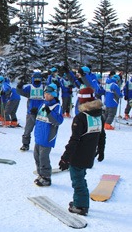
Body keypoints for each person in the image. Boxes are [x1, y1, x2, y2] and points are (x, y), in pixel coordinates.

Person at [59, 87, 106, 216]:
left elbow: (74, 140)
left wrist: (65, 158)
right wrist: (101, 150)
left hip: (78, 155)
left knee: (77, 180)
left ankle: (80, 206)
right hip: (89, 154)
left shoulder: (81, 117)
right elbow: (102, 135)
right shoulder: (98, 115)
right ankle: (79, 201)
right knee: (80, 177)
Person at [33, 83, 64, 186]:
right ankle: (40, 174)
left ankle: (46, 177)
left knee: (43, 157)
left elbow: (58, 121)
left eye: (49, 94)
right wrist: (33, 113)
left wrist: (49, 112)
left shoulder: (56, 106)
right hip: (39, 135)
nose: (46, 96)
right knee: (36, 156)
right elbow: (39, 118)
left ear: (54, 95)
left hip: (47, 136)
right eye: (45, 93)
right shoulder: (43, 104)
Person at [17, 72, 45, 151]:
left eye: (38, 79)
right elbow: (21, 92)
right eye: (35, 79)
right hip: (30, 112)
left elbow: (51, 94)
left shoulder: (43, 87)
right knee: (28, 129)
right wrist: (19, 87)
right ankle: (25, 144)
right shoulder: (30, 87)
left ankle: (41, 145)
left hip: (41, 112)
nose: (37, 81)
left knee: (41, 130)